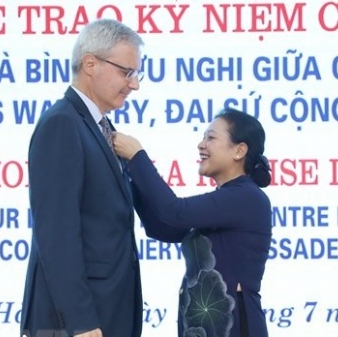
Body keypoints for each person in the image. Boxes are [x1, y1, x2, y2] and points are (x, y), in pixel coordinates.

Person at [20, 19, 145, 337]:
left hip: (106, 312)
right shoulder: (62, 124)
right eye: (126, 72)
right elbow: (57, 234)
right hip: (77, 323)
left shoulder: (99, 129)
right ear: (91, 64)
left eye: (135, 74)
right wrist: (79, 320)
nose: (134, 85)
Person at [113, 108, 272, 337]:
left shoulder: (246, 197)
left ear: (239, 150)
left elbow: (173, 212)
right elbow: (163, 227)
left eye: (211, 137)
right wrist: (130, 174)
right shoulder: (226, 202)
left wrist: (137, 156)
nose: (201, 144)